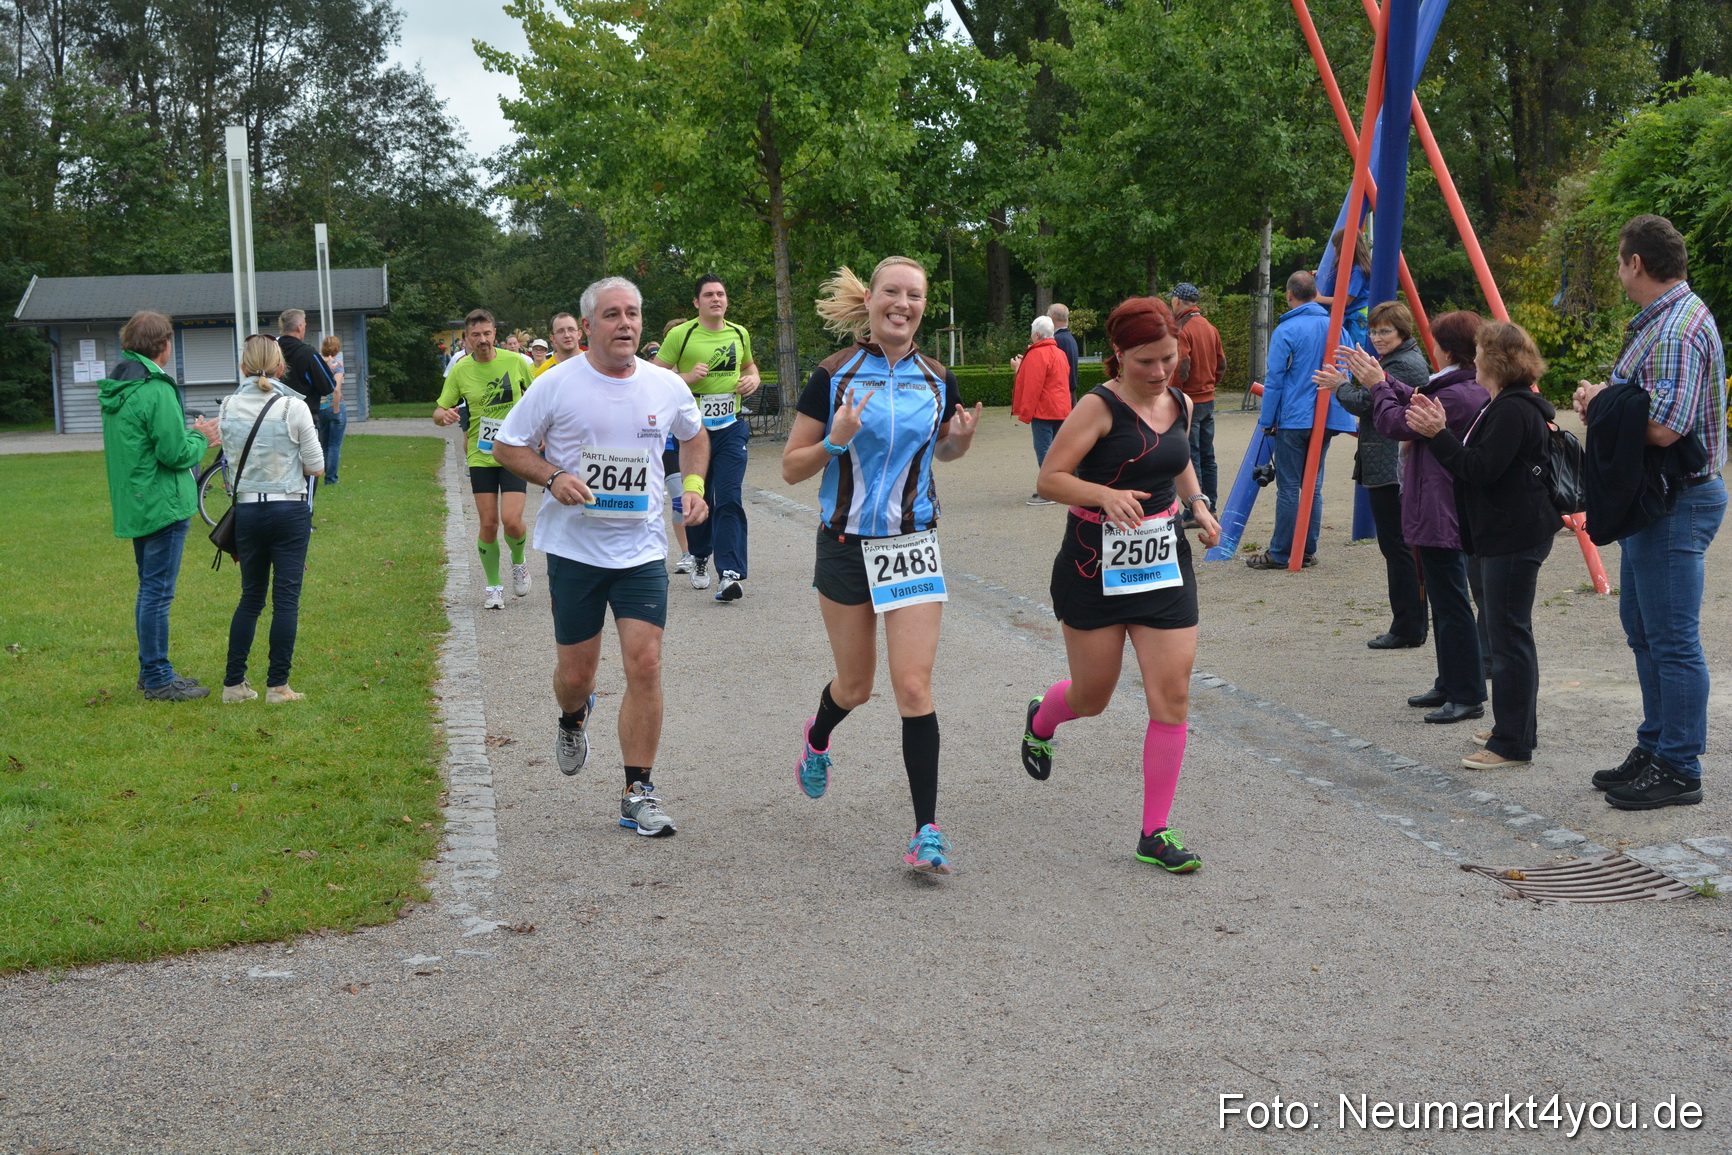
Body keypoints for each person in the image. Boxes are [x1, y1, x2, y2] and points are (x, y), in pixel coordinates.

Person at [783, 256, 982, 876]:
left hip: (910, 543)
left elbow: (941, 450)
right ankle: (818, 740)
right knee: (856, 687)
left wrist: (963, 440)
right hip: (844, 545)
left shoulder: (936, 376)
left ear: (924, 305)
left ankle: (927, 830)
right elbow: (791, 466)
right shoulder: (834, 375)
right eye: (891, 293)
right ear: (869, 301)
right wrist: (836, 438)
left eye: (914, 295)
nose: (903, 303)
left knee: (914, 686)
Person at [492, 277, 710, 837]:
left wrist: (692, 483)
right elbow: (507, 444)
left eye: (633, 313)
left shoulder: (665, 385)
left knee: (646, 663)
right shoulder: (556, 383)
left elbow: (695, 434)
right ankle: (572, 717)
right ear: (587, 326)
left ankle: (638, 789)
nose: (626, 324)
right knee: (576, 674)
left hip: (640, 551)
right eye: (612, 315)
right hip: (575, 550)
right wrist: (554, 475)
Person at [1019, 297, 1225, 873]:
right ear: (1118, 356)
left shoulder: (1178, 400)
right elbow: (1050, 478)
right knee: (1093, 698)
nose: (1160, 372)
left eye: (1168, 358)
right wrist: (1105, 496)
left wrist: (1199, 506)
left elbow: (1176, 459)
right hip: (1093, 565)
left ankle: (1154, 832)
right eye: (1146, 362)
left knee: (1173, 697)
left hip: (1163, 565)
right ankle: (1042, 719)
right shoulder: (1098, 407)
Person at [1572, 214, 1727, 809]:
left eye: (1618, 260)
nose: (1617, 271)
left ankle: (1680, 767)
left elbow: (1663, 428)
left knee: (1671, 639)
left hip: (1676, 501)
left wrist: (1603, 399)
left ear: (1637, 262)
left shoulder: (1675, 331)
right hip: (1657, 501)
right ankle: (1658, 744)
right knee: (1644, 631)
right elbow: (1645, 409)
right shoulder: (1665, 321)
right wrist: (1604, 399)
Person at [1399, 322, 1555, 768]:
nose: (1476, 359)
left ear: (1497, 362)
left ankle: (1511, 743)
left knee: (1508, 639)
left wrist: (1438, 434)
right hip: (1505, 532)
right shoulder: (1502, 404)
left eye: (1483, 351)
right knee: (1508, 635)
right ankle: (1517, 726)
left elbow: (1478, 469)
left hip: (1513, 534)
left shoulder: (1511, 409)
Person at [1357, 310, 1490, 723]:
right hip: (1442, 506)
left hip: (1441, 509)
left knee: (1451, 603)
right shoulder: (1460, 385)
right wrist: (1384, 380)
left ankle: (1466, 692)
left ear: (1447, 348)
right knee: (1447, 599)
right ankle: (1450, 682)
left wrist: (1378, 386)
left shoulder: (1455, 393)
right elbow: (1416, 398)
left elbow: (1397, 423)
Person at [99, 310, 222, 700]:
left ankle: (152, 668)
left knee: (148, 589)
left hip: (138, 500)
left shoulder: (120, 385)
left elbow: (148, 442)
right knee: (156, 592)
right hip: (162, 502)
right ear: (164, 344)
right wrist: (202, 438)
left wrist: (188, 436)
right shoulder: (156, 388)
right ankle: (156, 677)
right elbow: (173, 453)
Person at [1314, 301, 1430, 648]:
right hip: (1385, 463)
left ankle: (1409, 627)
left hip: (1391, 467)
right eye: (1374, 330)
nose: (1378, 337)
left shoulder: (1404, 364)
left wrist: (1339, 385)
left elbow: (1367, 403)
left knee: (1398, 548)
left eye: (1385, 331)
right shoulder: (1395, 360)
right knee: (1398, 548)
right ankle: (1409, 624)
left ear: (1402, 332)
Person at [218, 335, 325, 704]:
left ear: (243, 367)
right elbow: (317, 465)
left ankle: (234, 685)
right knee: (286, 601)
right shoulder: (292, 407)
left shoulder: (228, 406)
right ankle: (277, 686)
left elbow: (227, 463)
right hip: (288, 509)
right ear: (282, 368)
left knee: (250, 598)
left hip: (247, 509)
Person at [653, 275, 761, 600]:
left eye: (721, 294)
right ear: (696, 302)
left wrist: (752, 379)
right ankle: (700, 555)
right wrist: (685, 377)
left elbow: (750, 366)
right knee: (698, 499)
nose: (716, 299)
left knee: (728, 497)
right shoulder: (680, 335)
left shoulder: (739, 333)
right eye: (709, 295)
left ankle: (729, 573)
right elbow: (652, 378)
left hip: (730, 427)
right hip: (692, 432)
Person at [1245, 271, 1355, 569]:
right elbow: (1347, 370)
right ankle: (1306, 549)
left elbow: (1276, 379)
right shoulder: (1336, 327)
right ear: (1315, 294)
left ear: (1289, 295)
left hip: (1295, 417)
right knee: (1313, 486)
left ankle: (1281, 552)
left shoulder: (1288, 329)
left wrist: (1267, 420)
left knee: (1290, 487)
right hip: (1327, 415)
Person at [432, 308, 537, 609]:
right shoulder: (461, 371)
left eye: (487, 333)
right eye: (475, 335)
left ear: (495, 334)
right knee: (489, 523)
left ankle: (518, 560)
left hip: (515, 453)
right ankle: (493, 586)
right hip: (481, 455)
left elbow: (537, 398)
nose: (483, 340)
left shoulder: (516, 362)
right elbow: (438, 412)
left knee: (512, 521)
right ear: (466, 338)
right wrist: (446, 416)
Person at [1169, 283, 1225, 514]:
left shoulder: (1182, 329)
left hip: (1189, 399)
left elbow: (1181, 367)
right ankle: (1210, 506)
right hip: (1207, 398)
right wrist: (1210, 385)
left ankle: (1194, 511)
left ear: (1179, 301)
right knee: (1207, 454)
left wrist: (1174, 394)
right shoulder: (1210, 327)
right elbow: (1221, 365)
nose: (1170, 301)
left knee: (1191, 457)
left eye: (1172, 298)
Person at [1010, 314, 1071, 505]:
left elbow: (1031, 385)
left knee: (1044, 450)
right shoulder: (1059, 353)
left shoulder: (1037, 354)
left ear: (1036, 335)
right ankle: (1061, 488)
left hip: (1044, 410)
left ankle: (1049, 492)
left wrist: (1018, 369)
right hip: (1061, 408)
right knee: (1058, 451)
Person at [649, 318, 694, 571]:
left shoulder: (702, 361)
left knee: (700, 496)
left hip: (691, 439)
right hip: (667, 444)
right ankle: (687, 552)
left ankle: (700, 552)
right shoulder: (658, 370)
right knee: (679, 500)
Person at [275, 310, 338, 443]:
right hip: (305, 418)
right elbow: (328, 386)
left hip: (274, 417)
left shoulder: (271, 351)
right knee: (311, 462)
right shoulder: (308, 353)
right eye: (304, 324)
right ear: (299, 326)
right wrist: (329, 370)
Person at [1316, 226, 1372, 352]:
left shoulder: (1358, 271)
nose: (1334, 250)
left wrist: (1319, 298)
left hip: (1358, 317)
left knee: (1355, 352)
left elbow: (1346, 301)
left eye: (1336, 246)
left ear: (1344, 247)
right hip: (1352, 315)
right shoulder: (1352, 267)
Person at [318, 335, 348, 485]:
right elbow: (336, 390)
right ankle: (330, 479)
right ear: (337, 349)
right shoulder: (338, 366)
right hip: (335, 407)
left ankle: (320, 472)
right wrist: (336, 411)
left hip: (320, 408)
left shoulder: (317, 365)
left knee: (324, 445)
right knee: (334, 445)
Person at [1048, 302, 1081, 397]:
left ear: (1051, 317)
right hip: (1068, 391)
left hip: (1063, 393)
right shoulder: (1069, 338)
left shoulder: (1058, 340)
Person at [537, 312, 582, 379]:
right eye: (560, 331)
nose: (567, 335)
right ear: (553, 338)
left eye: (571, 330)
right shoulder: (544, 372)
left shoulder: (593, 364)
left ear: (579, 334)